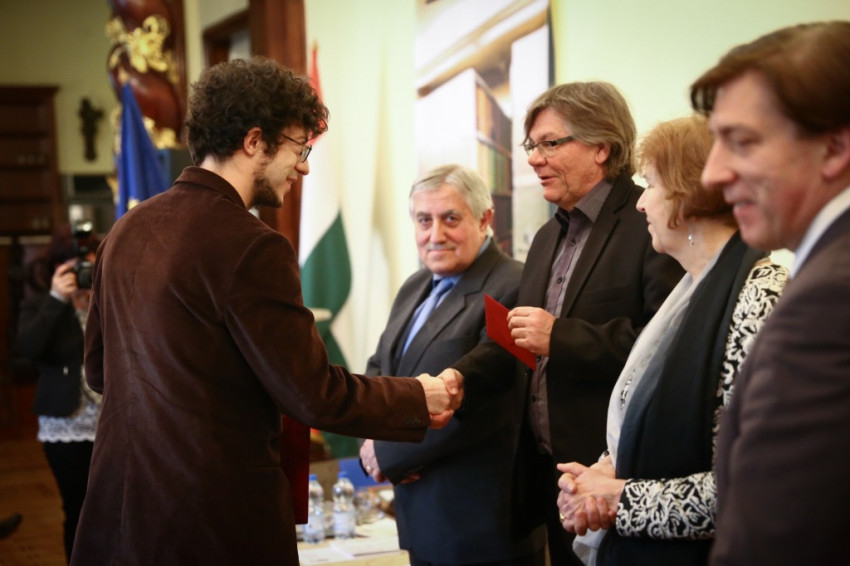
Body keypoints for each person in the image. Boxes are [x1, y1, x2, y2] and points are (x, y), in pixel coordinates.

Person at [70, 57, 461, 566]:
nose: (305, 166)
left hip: (119, 512)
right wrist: (418, 396)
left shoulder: (126, 229)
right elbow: (313, 394)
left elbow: (99, 371)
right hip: (209, 521)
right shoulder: (253, 245)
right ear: (255, 141)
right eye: (299, 148)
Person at [441, 81, 684, 565]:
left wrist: (560, 336)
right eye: (531, 146)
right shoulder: (546, 237)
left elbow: (669, 350)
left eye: (550, 143)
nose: (534, 159)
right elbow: (520, 340)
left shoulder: (650, 223)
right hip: (552, 481)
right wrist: (459, 379)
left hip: (619, 480)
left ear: (601, 147)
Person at [554, 115, 788, 566]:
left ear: (689, 195)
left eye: (652, 185)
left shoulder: (762, 297)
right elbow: (646, 413)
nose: (642, 204)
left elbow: (755, 488)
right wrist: (603, 472)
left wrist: (618, 497)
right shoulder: (689, 291)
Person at [688, 21, 850, 566]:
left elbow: (774, 540)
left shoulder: (827, 303)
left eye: (743, 142)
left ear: (834, 148)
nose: (713, 174)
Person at [359, 164, 545, 566]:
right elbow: (380, 367)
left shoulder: (515, 285)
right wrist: (368, 440)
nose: (435, 235)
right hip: (422, 519)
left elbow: (491, 400)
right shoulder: (415, 285)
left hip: (480, 528)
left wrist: (389, 453)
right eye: (423, 220)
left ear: (485, 219)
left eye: (450, 219)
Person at [16, 223, 103, 563]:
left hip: (112, 421)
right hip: (66, 425)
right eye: (75, 265)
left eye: (91, 262)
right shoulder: (39, 303)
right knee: (77, 507)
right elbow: (28, 349)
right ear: (57, 267)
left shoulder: (107, 301)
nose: (84, 271)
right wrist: (56, 299)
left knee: (117, 506)